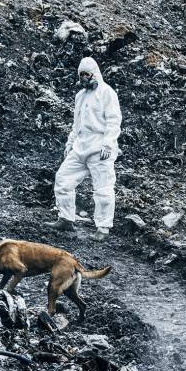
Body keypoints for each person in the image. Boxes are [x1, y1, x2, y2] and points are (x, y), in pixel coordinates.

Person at [50, 57, 122, 241]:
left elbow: (114, 121)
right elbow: (77, 123)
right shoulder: (80, 96)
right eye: (81, 75)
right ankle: (66, 218)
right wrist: (70, 142)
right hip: (81, 146)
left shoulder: (107, 93)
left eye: (87, 74)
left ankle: (103, 228)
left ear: (95, 74)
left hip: (100, 147)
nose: (84, 78)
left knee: (103, 188)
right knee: (63, 178)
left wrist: (109, 143)